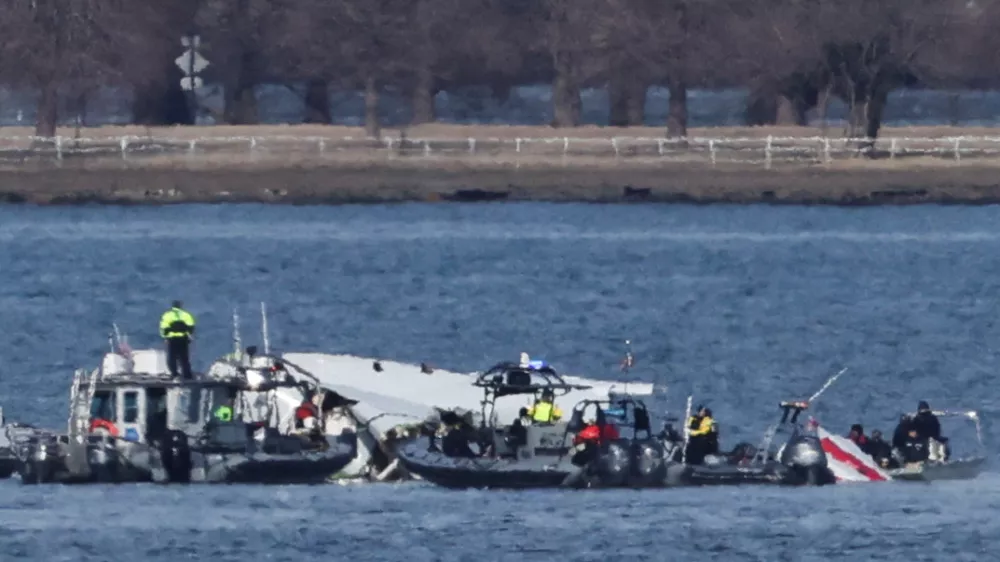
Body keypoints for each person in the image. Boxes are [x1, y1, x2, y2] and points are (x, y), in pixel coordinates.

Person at [159, 300, 196, 379]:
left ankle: (174, 373)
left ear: (173, 307)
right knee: (184, 358)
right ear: (180, 306)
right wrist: (190, 336)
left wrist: (164, 337)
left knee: (172, 357)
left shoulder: (167, 315)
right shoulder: (186, 315)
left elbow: (163, 328)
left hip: (172, 339)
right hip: (183, 339)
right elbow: (191, 327)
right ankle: (187, 374)